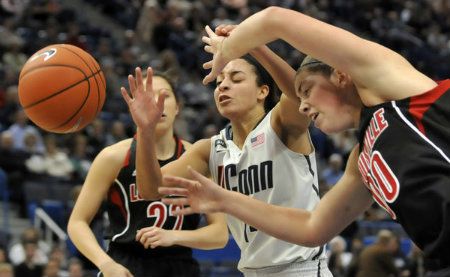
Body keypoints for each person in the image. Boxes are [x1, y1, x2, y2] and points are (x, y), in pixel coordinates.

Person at [158, 6, 450, 276]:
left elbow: (275, 19)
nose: (302, 105)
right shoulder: (362, 159)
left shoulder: (389, 79)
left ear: (340, 74)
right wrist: (224, 200)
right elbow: (312, 228)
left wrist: (232, 48)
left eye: (307, 90)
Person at [121, 47, 332, 276]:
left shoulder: (281, 124)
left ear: (262, 91)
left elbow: (300, 92)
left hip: (301, 269)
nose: (222, 85)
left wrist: (254, 45)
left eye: (236, 78)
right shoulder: (210, 149)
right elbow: (150, 189)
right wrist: (145, 131)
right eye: (219, 81)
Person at [67, 71, 228, 277]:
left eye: (165, 95)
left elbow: (219, 234)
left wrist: (174, 236)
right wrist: (106, 264)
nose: (157, 102)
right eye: (148, 96)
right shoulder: (113, 157)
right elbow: (77, 222)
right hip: (125, 264)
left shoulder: (199, 158)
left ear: (178, 107)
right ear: (134, 107)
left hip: (180, 266)